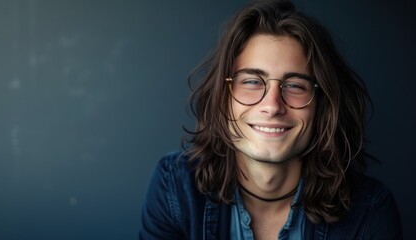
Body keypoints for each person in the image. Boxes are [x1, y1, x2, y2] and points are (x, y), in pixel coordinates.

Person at [139, 0, 402, 239]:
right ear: (223, 97)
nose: (272, 105)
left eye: (295, 85)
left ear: (322, 104)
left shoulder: (369, 210)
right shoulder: (175, 186)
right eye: (252, 81)